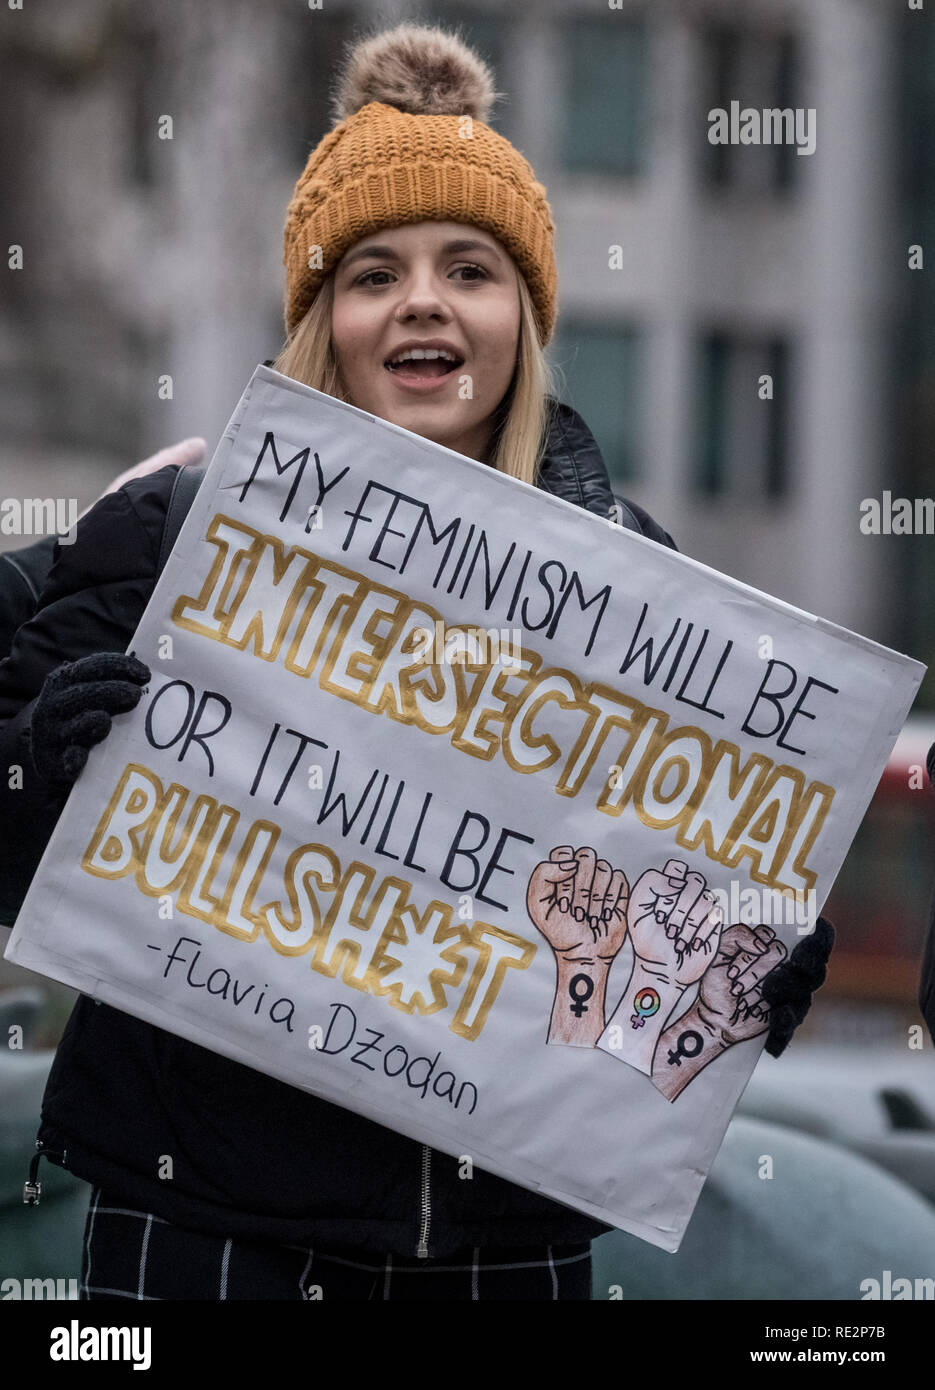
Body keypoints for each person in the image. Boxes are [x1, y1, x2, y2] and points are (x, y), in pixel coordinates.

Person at [0, 22, 831, 1301]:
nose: (423, 301)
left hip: (506, 1251)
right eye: (372, 271)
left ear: (523, 319)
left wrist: (751, 961)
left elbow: (635, 963)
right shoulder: (173, 534)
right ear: (322, 320)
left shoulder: (642, 594)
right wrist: (47, 766)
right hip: (207, 1241)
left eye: (471, 269)